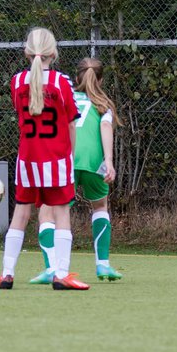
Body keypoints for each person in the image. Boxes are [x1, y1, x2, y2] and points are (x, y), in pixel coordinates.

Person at [0, 28, 88, 291]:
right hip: (56, 158)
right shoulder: (61, 82)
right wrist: (70, 155)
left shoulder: (16, 82)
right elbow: (71, 124)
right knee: (61, 214)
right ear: (53, 53)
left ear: (27, 51)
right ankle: (61, 274)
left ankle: (7, 273)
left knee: (20, 213)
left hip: (27, 159)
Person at [30, 56, 122, 283]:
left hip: (66, 159)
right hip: (94, 162)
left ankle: (52, 267)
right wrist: (108, 161)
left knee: (47, 212)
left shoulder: (65, 97)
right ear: (99, 80)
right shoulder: (104, 104)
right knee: (100, 206)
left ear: (77, 77)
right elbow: (105, 126)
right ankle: (103, 265)